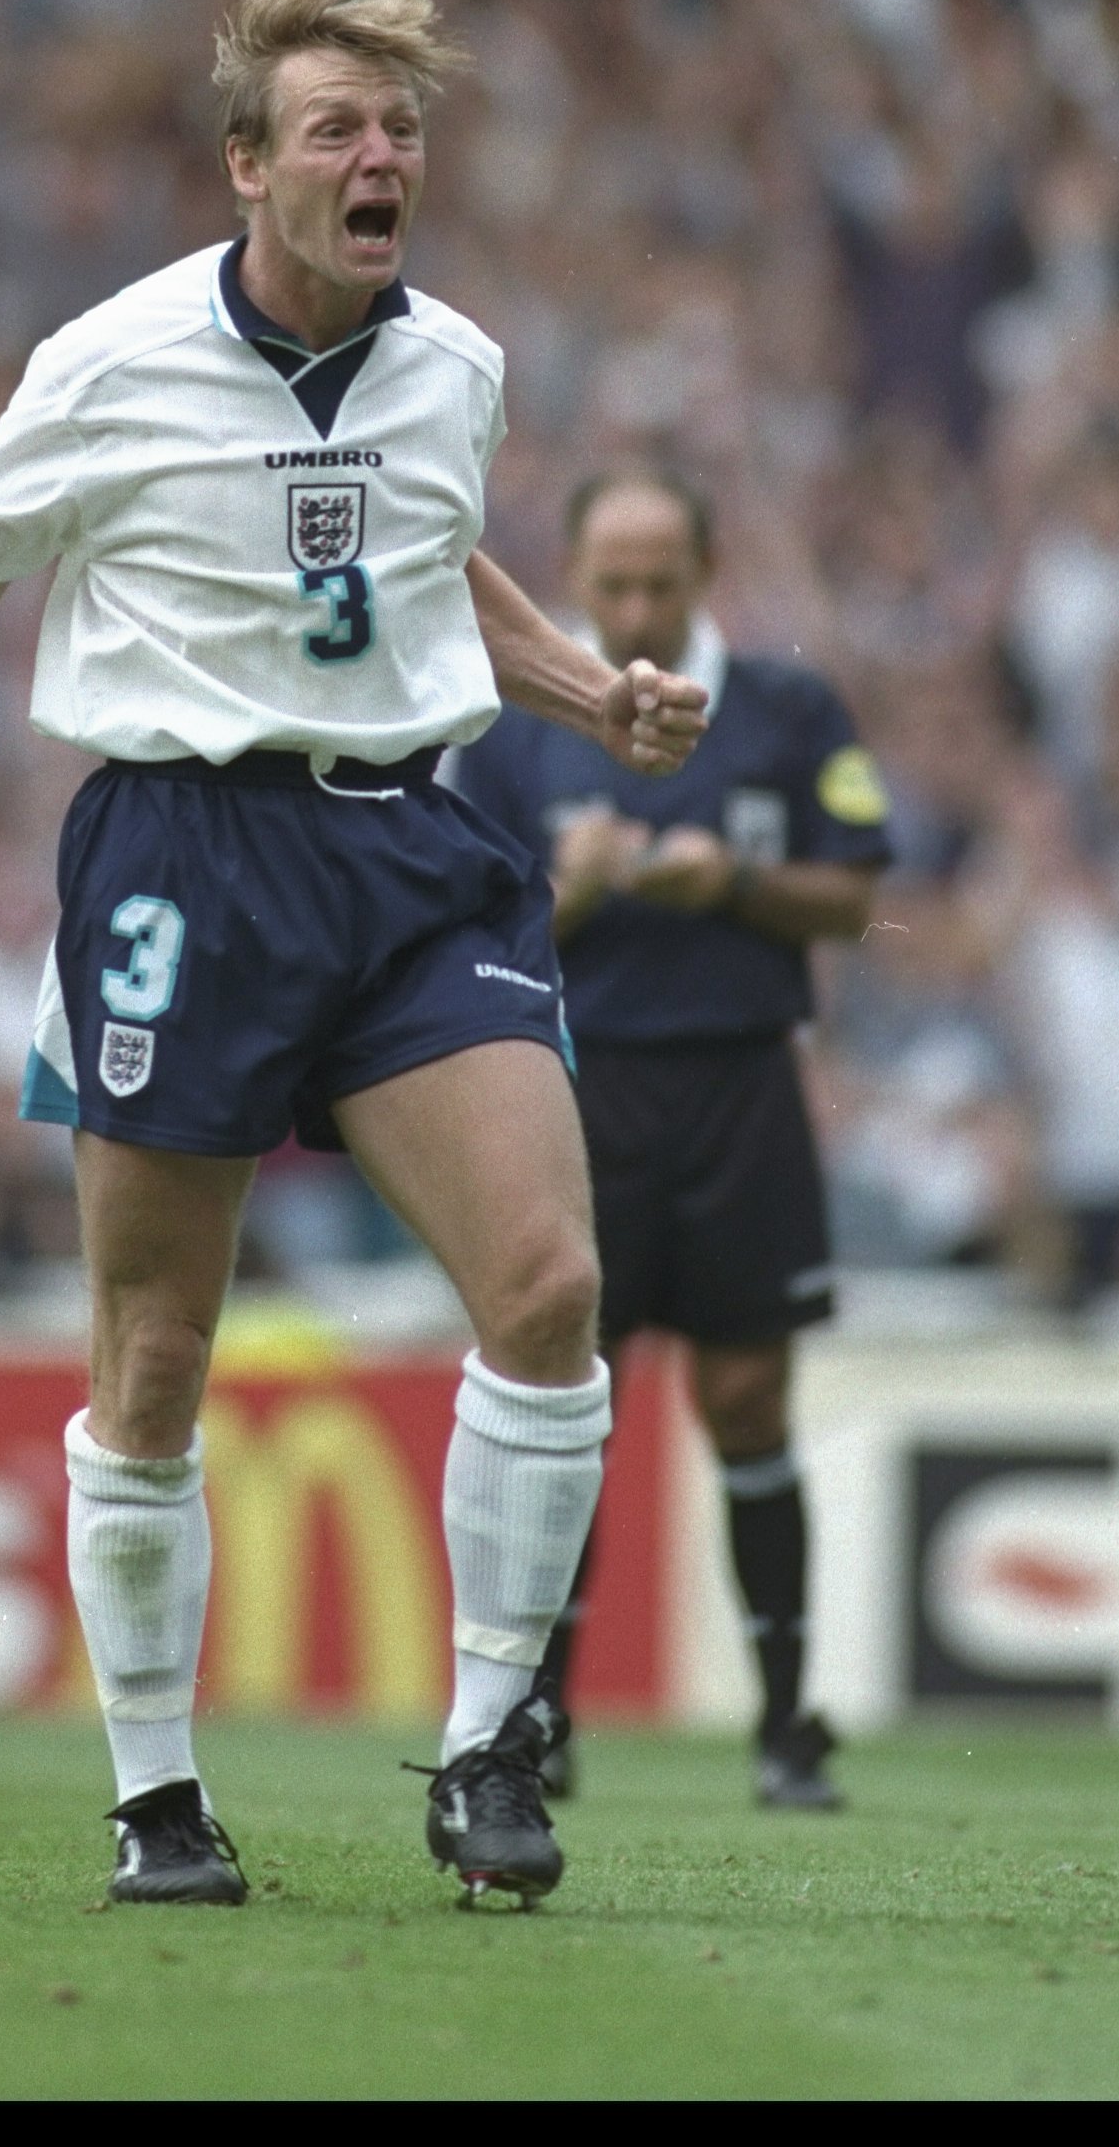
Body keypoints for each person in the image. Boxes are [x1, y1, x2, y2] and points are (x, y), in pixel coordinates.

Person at [0, 0, 707, 1908]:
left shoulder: (452, 363)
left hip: (405, 846)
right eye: (336, 131)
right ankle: (154, 1795)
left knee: (545, 1284)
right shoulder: (105, 362)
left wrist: (583, 694)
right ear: (246, 167)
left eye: (400, 132)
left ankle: (483, 1748)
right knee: (155, 1349)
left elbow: (437, 557)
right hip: (179, 862)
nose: (380, 160)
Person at [454, 468, 891, 1811]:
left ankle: (785, 1725)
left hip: (741, 1086)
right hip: (572, 1092)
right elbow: (466, 924)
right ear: (574, 578)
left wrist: (736, 883)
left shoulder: (786, 708)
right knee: (563, 1403)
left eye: (661, 581)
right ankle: (541, 1717)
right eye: (614, 581)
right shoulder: (513, 724)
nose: (637, 606)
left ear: (706, 573)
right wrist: (565, 898)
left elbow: (859, 895)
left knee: (748, 1400)